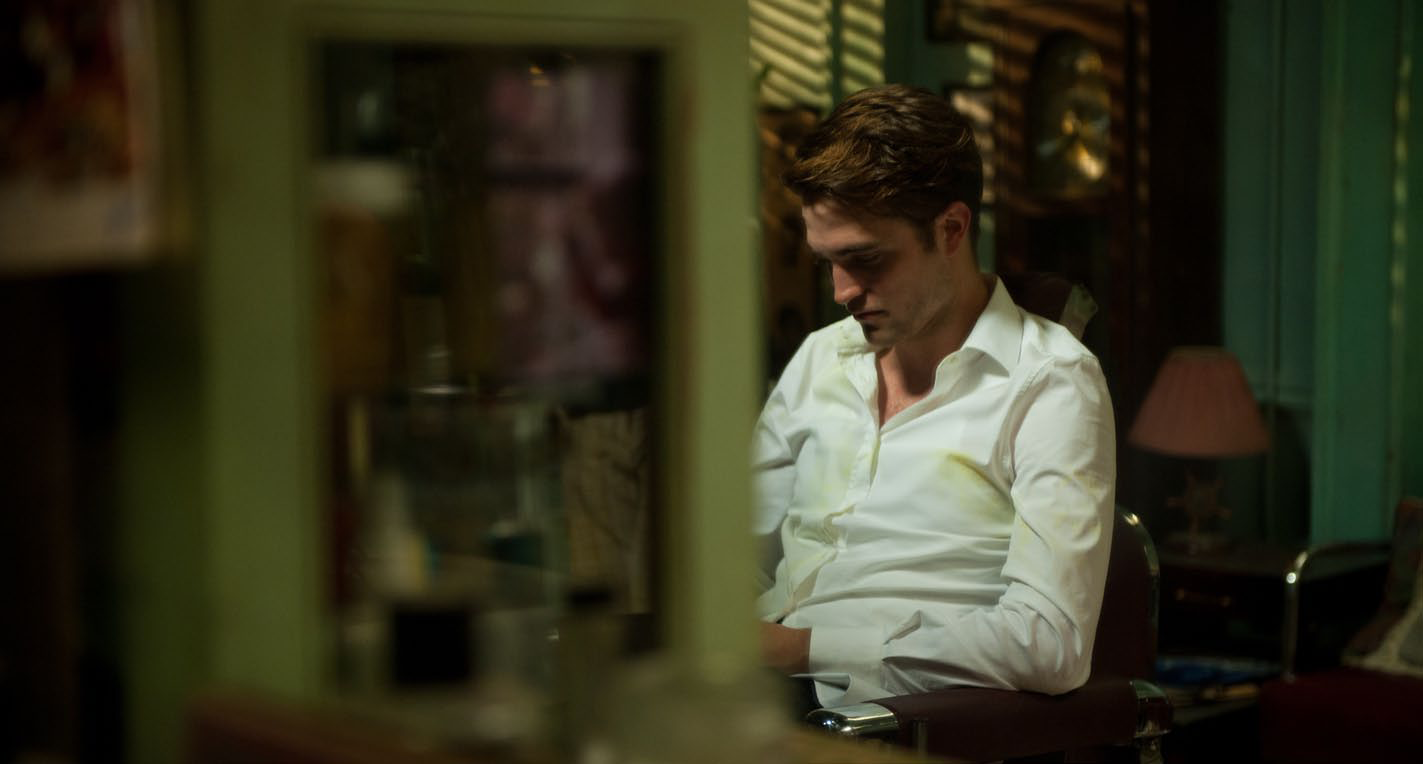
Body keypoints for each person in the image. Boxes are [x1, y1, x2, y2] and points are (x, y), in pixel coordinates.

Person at [753, 84, 1116, 710]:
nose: (841, 291)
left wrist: (802, 649)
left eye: (865, 260)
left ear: (950, 229)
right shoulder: (820, 357)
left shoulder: (1050, 382)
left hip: (886, 720)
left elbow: (1050, 643)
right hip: (750, 689)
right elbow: (741, 557)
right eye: (826, 262)